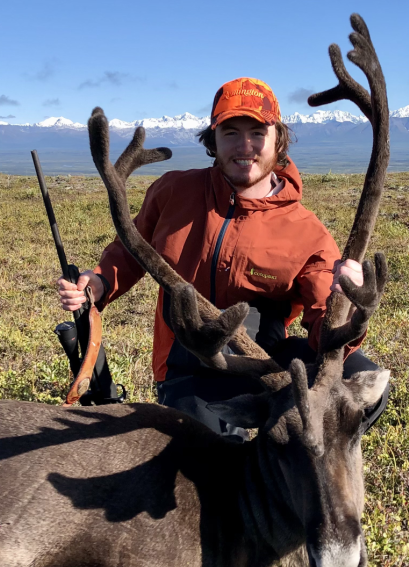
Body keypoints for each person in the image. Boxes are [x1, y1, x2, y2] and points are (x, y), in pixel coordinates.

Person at [57, 78, 389, 436]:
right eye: (230, 133)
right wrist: (100, 281)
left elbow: (325, 329)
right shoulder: (173, 191)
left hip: (268, 364)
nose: (244, 147)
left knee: (363, 386)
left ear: (278, 139)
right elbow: (131, 247)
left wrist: (349, 306)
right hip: (188, 365)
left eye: (257, 133)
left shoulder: (308, 233)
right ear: (212, 140)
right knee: (200, 454)